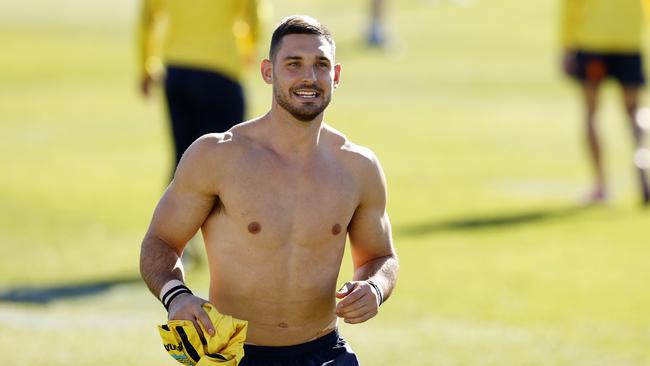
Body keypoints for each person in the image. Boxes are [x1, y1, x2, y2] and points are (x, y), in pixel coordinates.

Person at [140, 15, 399, 365]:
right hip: (232, 355)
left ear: (335, 76)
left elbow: (380, 257)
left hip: (325, 352)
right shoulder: (217, 156)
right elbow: (160, 242)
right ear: (267, 72)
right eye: (294, 64)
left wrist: (374, 288)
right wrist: (176, 296)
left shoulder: (358, 167)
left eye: (320, 65)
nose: (309, 77)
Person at [138, 0, 261, 176]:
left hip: (177, 70)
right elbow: (253, 13)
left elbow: (148, 18)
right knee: (224, 162)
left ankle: (174, 204)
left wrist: (146, 64)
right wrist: (250, 48)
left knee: (183, 162)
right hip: (222, 70)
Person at [561, 0, 650, 205]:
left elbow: (571, 5)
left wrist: (566, 43)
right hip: (629, 38)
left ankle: (601, 185)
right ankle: (642, 173)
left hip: (592, 40)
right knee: (633, 112)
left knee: (591, 113)